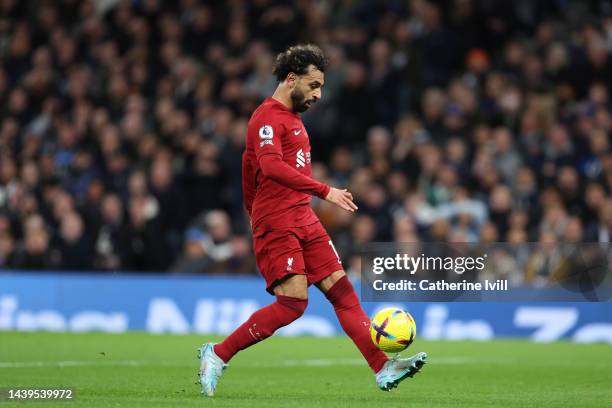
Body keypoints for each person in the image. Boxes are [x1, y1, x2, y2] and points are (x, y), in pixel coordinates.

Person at [197, 44, 427, 396]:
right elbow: (271, 167)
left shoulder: (293, 119)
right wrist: (321, 192)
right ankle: (217, 353)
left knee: (343, 292)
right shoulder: (266, 118)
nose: (319, 94)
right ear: (292, 79)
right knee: (293, 304)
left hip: (302, 218)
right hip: (278, 222)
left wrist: (255, 207)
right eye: (314, 85)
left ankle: (382, 367)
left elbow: (249, 166)